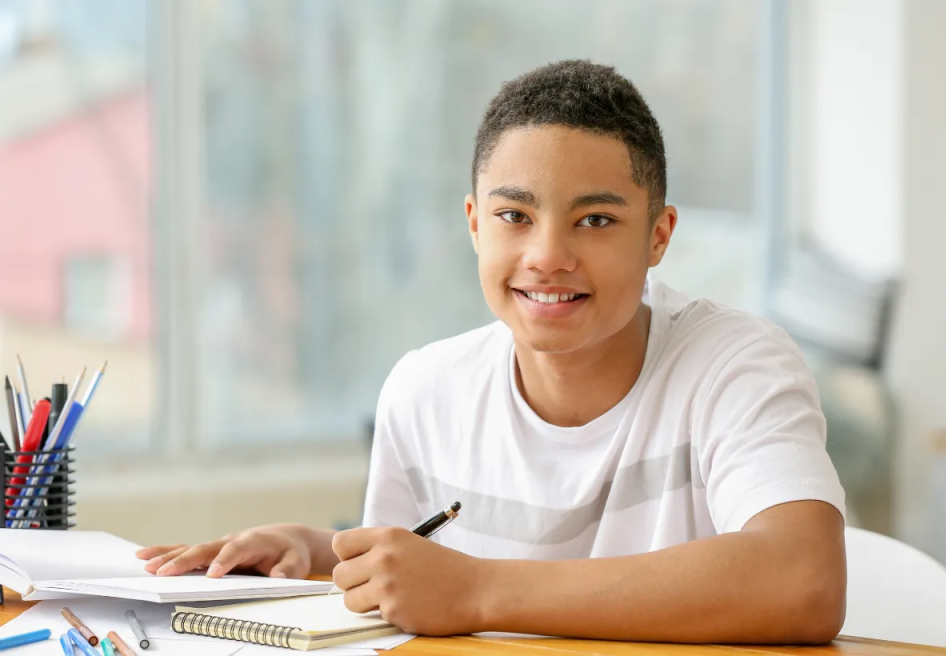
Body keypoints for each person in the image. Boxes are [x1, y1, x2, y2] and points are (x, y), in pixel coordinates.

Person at [138, 60, 846, 644]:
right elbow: (411, 599)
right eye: (515, 216)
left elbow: (802, 582)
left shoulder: (737, 364)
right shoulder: (424, 389)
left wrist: (480, 590)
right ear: (475, 224)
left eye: (595, 220)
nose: (548, 256)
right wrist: (322, 555)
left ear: (658, 236)